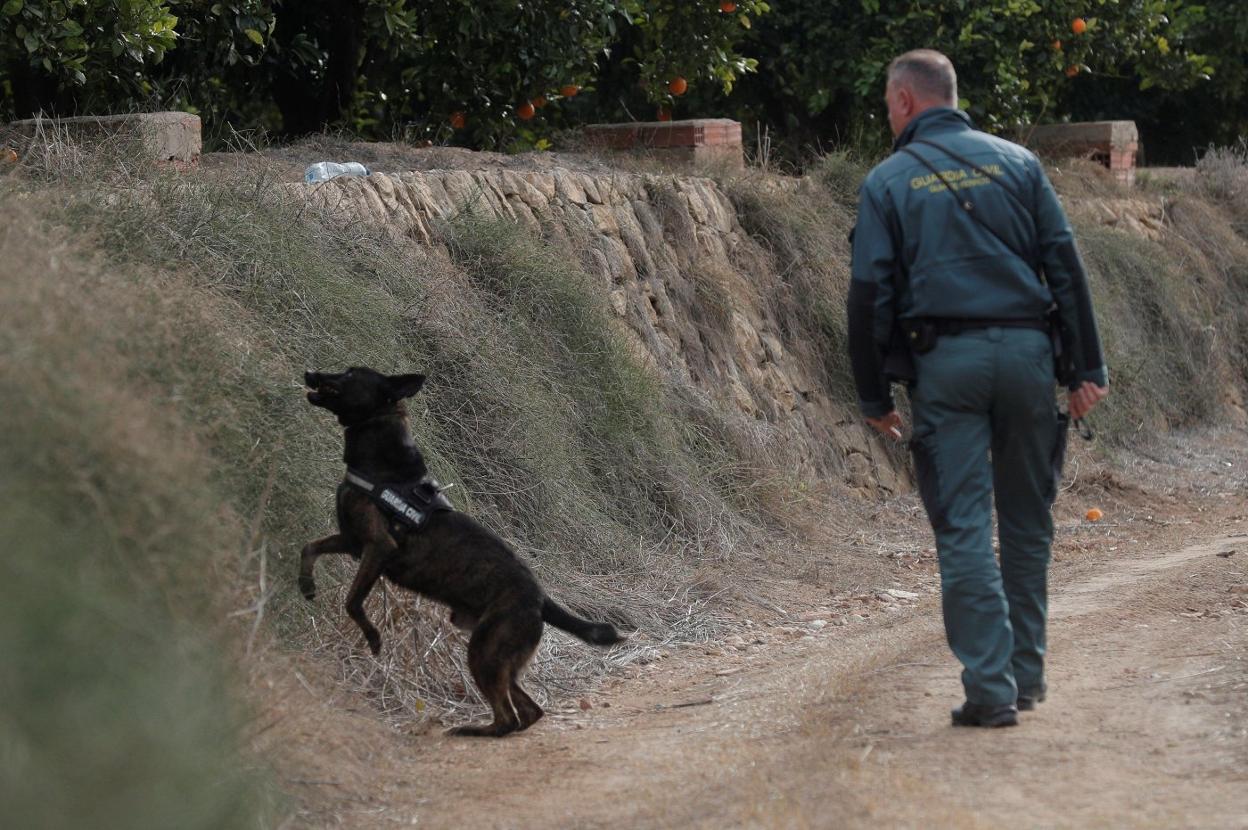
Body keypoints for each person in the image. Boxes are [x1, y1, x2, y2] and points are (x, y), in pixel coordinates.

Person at [846, 49, 1109, 728]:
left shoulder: (888, 180)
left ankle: (990, 691)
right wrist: (1087, 370)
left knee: (964, 526)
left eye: (886, 102)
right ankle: (1024, 678)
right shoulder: (1019, 164)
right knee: (1027, 524)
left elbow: (870, 294)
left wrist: (874, 396)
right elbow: (1064, 263)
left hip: (948, 366)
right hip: (1028, 356)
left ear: (904, 100)